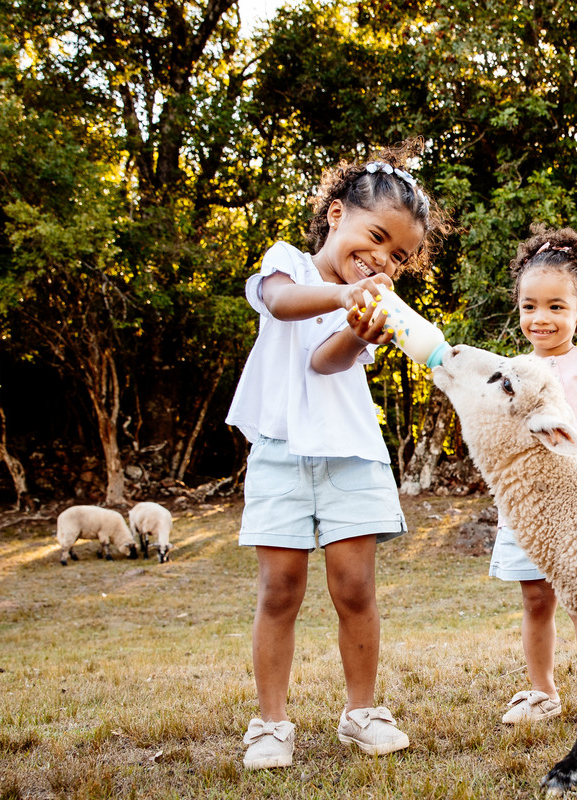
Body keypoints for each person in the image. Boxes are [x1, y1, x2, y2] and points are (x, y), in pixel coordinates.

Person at [225, 140, 448, 769]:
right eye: (375, 236)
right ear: (335, 216)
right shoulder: (288, 264)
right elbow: (283, 304)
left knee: (355, 588)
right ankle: (271, 725)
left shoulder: (371, 305)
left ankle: (361, 713)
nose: (381, 259)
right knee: (280, 589)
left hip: (350, 453)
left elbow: (325, 362)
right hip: (281, 453)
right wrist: (346, 300)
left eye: (397, 257)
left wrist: (359, 330)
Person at [490, 225, 577, 724]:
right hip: (529, 508)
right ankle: (541, 691)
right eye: (530, 306)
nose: (541, 318)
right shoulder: (513, 371)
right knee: (535, 599)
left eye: (555, 306)